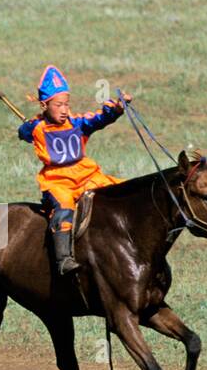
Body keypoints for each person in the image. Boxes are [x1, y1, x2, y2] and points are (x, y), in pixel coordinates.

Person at [17, 65, 131, 274]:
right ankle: (63, 259)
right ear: (44, 104)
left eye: (66, 104)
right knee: (64, 206)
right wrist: (31, 125)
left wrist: (115, 110)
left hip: (86, 175)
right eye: (58, 105)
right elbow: (22, 132)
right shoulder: (36, 128)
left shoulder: (77, 123)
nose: (64, 110)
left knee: (122, 188)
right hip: (58, 181)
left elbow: (99, 119)